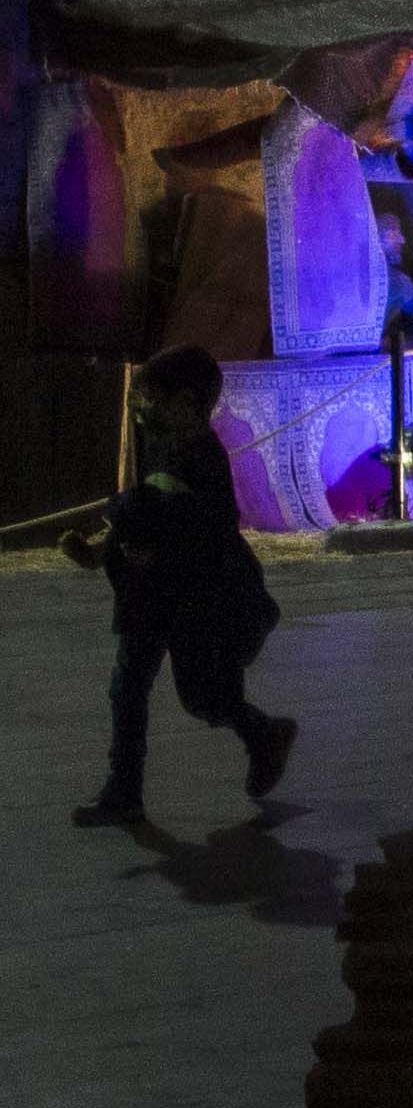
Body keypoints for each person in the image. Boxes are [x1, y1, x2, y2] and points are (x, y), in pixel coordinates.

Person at [66, 342, 293, 822]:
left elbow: (203, 527)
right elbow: (143, 513)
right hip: (149, 594)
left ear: (187, 402)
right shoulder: (162, 446)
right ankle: (123, 793)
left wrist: (151, 534)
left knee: (204, 698)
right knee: (128, 687)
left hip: (194, 598)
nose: (145, 408)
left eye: (154, 397)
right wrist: (101, 552)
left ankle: (263, 733)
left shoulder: (207, 459)